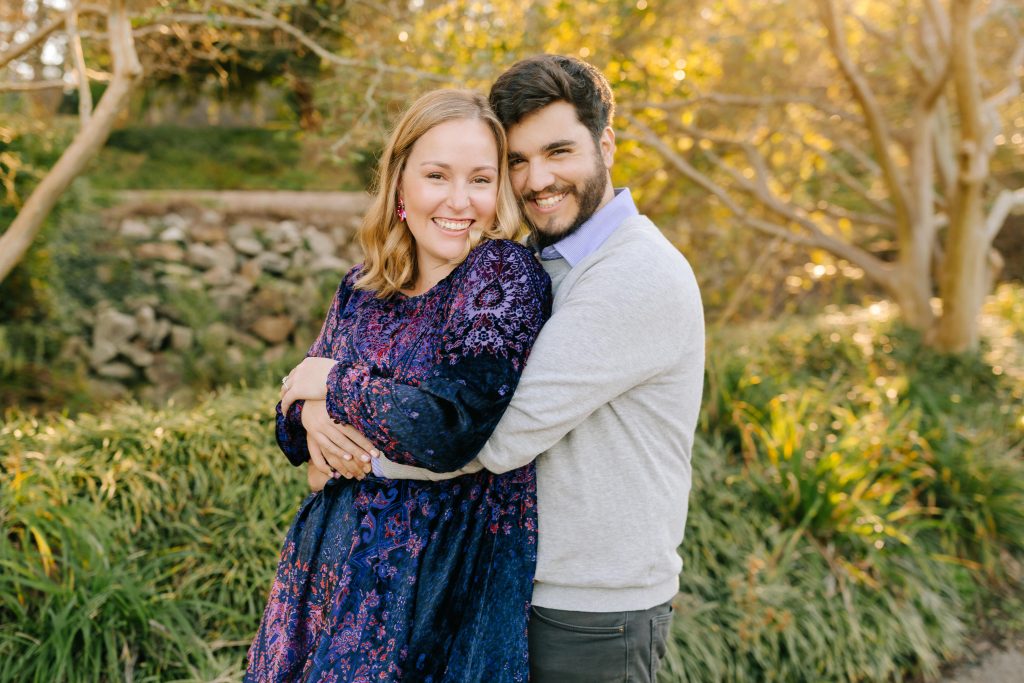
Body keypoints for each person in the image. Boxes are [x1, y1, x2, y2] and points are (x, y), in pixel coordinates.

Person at [307, 55, 705, 682]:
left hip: (589, 608)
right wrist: (308, 407)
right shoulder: (536, 264)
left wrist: (343, 452)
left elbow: (491, 436)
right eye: (517, 161)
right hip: (506, 585)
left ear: (606, 144)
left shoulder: (636, 275)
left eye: (559, 151)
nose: (537, 179)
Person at [244, 89, 551, 682]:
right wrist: (308, 415)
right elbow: (288, 428)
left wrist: (330, 381)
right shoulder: (362, 286)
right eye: (437, 175)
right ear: (400, 183)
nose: (460, 201)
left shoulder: (502, 277)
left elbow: (446, 428)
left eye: (481, 180)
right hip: (329, 571)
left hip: (440, 583)